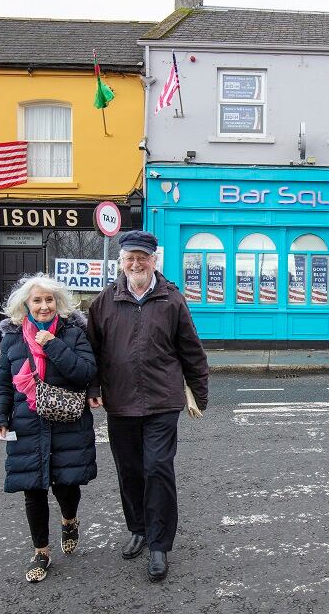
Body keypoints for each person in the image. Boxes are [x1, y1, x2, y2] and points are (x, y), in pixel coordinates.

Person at [86, 230, 209, 583]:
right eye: (130, 258)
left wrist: (199, 394)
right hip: (120, 402)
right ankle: (138, 528)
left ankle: (159, 544)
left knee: (157, 467)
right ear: (121, 261)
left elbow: (191, 350)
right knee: (130, 471)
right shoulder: (104, 301)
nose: (136, 263)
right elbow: (91, 351)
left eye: (143, 257)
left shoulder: (172, 299)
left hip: (162, 400)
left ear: (154, 260)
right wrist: (93, 386)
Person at [0, 274, 98, 583]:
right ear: (26, 304)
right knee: (33, 489)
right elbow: (2, 385)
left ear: (58, 302)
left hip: (66, 422)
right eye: (37, 300)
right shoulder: (12, 338)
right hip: (27, 423)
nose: (44, 305)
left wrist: (53, 346)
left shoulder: (73, 333)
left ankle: (70, 519)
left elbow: (85, 373)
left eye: (49, 299)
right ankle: (41, 551)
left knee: (66, 485)